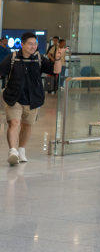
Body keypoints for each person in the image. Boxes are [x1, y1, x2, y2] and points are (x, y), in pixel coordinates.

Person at [0, 32, 62, 165]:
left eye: (35, 44)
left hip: (33, 98)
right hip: (13, 98)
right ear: (22, 44)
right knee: (14, 123)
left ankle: (21, 150)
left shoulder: (39, 58)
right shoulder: (13, 58)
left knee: (27, 125)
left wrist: (57, 59)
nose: (33, 46)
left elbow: (56, 71)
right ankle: (13, 151)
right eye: (30, 44)